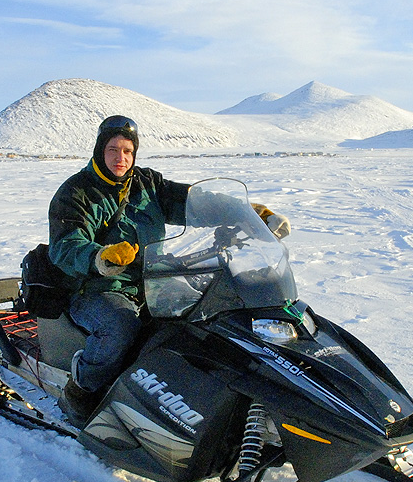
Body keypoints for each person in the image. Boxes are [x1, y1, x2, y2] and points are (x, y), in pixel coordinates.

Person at [47, 115, 290, 426]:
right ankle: (81, 388)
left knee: (206, 311)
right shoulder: (77, 193)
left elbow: (195, 202)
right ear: (99, 150)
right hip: (96, 287)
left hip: (153, 279)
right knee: (119, 327)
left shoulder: (148, 184)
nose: (120, 158)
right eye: (112, 149)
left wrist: (250, 213)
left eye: (127, 151)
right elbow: (65, 245)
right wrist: (100, 257)